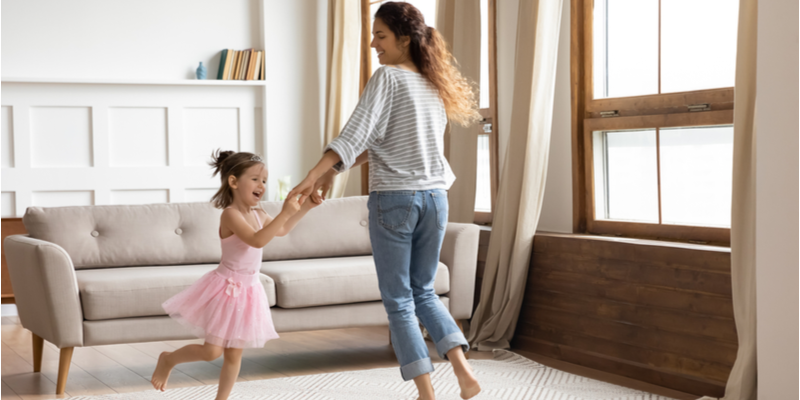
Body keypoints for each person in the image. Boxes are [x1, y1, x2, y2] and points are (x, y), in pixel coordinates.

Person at [287, 2, 481, 399]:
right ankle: (463, 371)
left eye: (380, 35)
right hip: (435, 198)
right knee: (424, 291)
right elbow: (376, 143)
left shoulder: (388, 77)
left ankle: (426, 393)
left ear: (403, 39)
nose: (373, 43)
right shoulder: (432, 83)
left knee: (398, 300)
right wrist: (332, 172)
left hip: (396, 199)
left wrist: (312, 175)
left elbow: (355, 132)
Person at [151, 150, 316, 399]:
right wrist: (284, 211)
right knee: (211, 352)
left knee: (234, 354)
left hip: (249, 291)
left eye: (264, 181)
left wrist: (307, 207)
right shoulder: (230, 214)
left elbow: (281, 229)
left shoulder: (259, 213)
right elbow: (257, 240)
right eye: (255, 179)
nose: (261, 185)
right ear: (234, 181)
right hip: (226, 289)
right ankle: (168, 359)